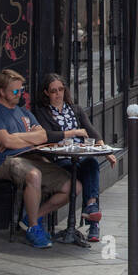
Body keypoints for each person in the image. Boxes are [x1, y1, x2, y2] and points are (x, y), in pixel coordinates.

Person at [0, 68, 74, 250]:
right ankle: (33, 226)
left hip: (31, 156)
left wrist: (16, 138)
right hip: (7, 161)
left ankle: (32, 216)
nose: (19, 94)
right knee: (34, 175)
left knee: (73, 186)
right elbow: (6, 141)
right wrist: (22, 138)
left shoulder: (24, 112)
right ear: (2, 92)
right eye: (15, 91)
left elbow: (43, 136)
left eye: (21, 90)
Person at [37, 73, 117, 242]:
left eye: (60, 89)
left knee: (91, 164)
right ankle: (92, 223)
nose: (58, 94)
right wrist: (73, 132)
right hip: (59, 160)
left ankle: (91, 209)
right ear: (46, 93)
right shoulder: (42, 112)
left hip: (78, 157)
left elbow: (92, 132)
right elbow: (46, 136)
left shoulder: (75, 109)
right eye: (53, 91)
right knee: (85, 172)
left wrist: (106, 151)